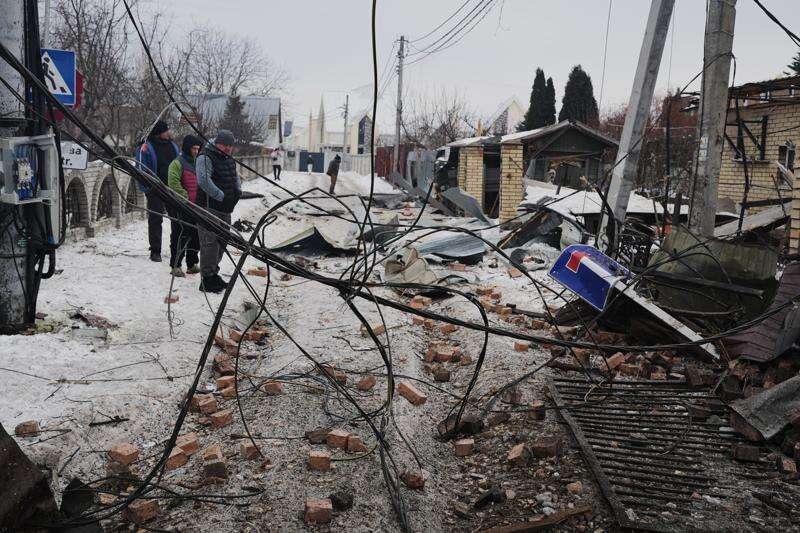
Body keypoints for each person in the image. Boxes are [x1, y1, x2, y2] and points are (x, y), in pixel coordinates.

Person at [195, 130, 241, 293]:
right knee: (210, 243)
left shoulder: (227, 158)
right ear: (217, 143)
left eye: (230, 145)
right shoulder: (205, 157)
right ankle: (207, 279)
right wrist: (220, 195)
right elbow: (203, 180)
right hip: (209, 207)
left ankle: (214, 273)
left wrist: (238, 191)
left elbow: (235, 175)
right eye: (224, 145)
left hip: (225, 208)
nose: (228, 148)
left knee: (222, 241)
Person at [135, 120, 180, 262]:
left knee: (177, 218)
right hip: (155, 188)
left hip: (172, 188)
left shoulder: (173, 146)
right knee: (156, 218)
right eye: (166, 130)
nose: (168, 133)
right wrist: (148, 187)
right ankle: (155, 250)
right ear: (159, 132)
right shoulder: (146, 147)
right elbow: (141, 167)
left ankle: (177, 248)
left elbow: (179, 164)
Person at [166, 135, 203, 277]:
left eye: (198, 149)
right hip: (181, 207)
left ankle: (192, 264)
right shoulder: (177, 163)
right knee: (180, 235)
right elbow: (173, 183)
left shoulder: (198, 163)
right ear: (187, 148)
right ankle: (176, 265)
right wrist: (185, 198)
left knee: (196, 236)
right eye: (194, 149)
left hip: (197, 207)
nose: (196, 151)